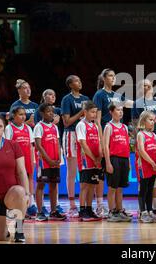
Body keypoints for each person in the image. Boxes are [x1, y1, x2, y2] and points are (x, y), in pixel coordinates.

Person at [131, 79, 156, 216]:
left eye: (148, 85)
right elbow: (135, 124)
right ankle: (144, 209)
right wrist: (136, 144)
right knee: (144, 177)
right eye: (143, 85)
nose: (146, 87)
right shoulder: (137, 103)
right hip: (144, 142)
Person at [60, 75, 89, 217]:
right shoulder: (67, 99)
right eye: (76, 80)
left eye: (80, 79)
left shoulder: (86, 99)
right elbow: (66, 122)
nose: (80, 82)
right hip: (70, 135)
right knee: (72, 171)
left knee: (85, 171)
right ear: (71, 85)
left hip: (84, 135)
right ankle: (72, 204)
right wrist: (81, 112)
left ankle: (87, 204)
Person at [34, 103, 66, 221]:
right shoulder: (39, 126)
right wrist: (48, 160)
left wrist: (58, 157)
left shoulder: (54, 127)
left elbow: (57, 143)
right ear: (42, 113)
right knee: (41, 185)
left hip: (54, 161)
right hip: (44, 161)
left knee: (54, 185)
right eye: (48, 111)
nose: (51, 113)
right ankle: (39, 212)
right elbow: (38, 145)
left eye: (52, 111)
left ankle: (53, 211)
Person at [103, 102, 133, 222]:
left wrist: (129, 162)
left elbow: (126, 146)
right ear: (111, 112)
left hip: (124, 159)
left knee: (120, 188)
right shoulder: (108, 127)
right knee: (112, 187)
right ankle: (111, 211)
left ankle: (119, 210)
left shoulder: (125, 127)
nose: (121, 112)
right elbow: (105, 146)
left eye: (122, 110)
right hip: (114, 159)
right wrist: (108, 163)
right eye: (118, 110)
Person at [4, 106, 36, 219]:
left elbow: (31, 146)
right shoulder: (9, 128)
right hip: (14, 161)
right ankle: (12, 209)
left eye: (24, 114)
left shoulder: (28, 128)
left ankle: (27, 207)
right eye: (20, 114)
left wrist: (33, 160)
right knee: (15, 186)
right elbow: (6, 146)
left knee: (27, 183)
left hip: (27, 160)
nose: (23, 117)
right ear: (13, 116)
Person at [75, 101, 103, 222]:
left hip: (95, 160)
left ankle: (89, 208)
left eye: (95, 112)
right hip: (86, 160)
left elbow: (99, 142)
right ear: (85, 112)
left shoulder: (95, 126)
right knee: (84, 185)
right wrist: (93, 158)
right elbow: (83, 144)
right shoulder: (81, 125)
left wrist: (99, 157)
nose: (94, 114)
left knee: (93, 184)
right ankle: (82, 210)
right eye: (92, 112)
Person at [136, 111, 156, 223]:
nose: (153, 122)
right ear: (143, 121)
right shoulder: (140, 134)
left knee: (150, 189)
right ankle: (142, 213)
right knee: (143, 189)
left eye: (154, 120)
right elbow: (141, 150)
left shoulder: (154, 135)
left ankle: (150, 211)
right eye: (150, 120)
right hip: (145, 165)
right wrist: (152, 162)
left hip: (153, 166)